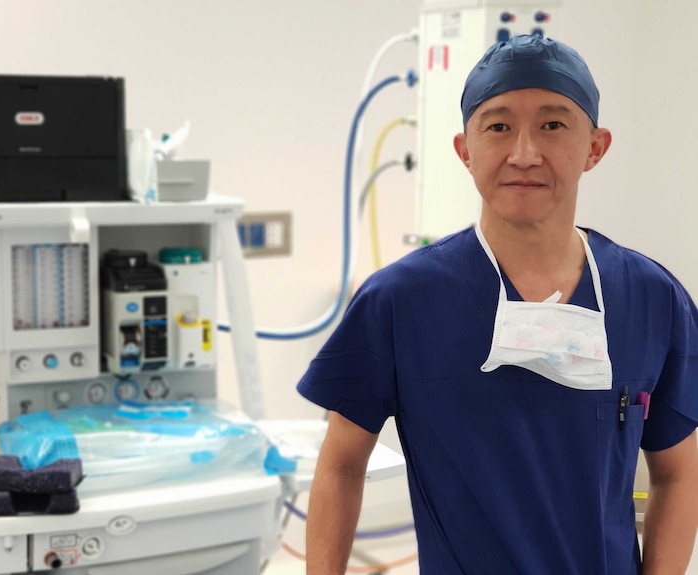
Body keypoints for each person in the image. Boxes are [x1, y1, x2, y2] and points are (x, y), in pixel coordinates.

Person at [297, 34, 698, 574]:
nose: (525, 153)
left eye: (553, 125)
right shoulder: (401, 301)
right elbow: (341, 465)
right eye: (498, 126)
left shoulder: (651, 298)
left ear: (595, 147)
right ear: (466, 150)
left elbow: (677, 471)